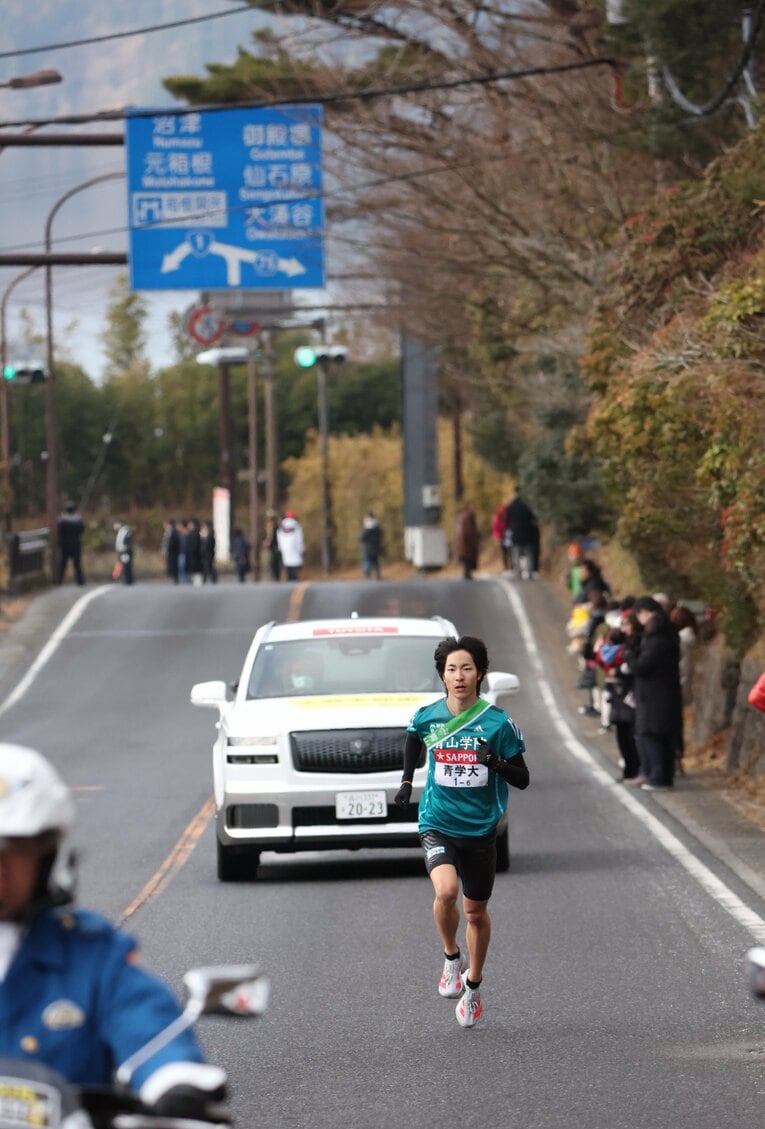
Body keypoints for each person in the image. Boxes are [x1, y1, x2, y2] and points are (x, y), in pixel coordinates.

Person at [0, 743, 227, 1115]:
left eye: (15, 849)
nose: (0, 868)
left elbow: (145, 1023)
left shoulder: (89, 955)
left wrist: (173, 1078)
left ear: (46, 855)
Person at [395, 635, 529, 1028]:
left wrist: (497, 764)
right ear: (442, 675)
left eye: (466, 668)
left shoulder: (497, 723)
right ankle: (451, 958)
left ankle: (473, 986)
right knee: (446, 891)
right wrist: (406, 783)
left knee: (476, 911)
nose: (459, 676)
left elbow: (522, 778)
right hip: (437, 821)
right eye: (451, 669)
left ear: (480, 674)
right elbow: (412, 740)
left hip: (481, 829)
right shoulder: (428, 717)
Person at [629, 595, 683, 790]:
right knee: (663, 736)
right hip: (664, 693)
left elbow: (643, 666)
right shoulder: (668, 632)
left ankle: (658, 778)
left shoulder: (657, 638)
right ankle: (662, 777)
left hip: (654, 696)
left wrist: (631, 658)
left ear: (644, 613)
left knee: (651, 735)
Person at [504, 488, 537, 579]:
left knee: (516, 554)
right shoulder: (527, 506)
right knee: (529, 554)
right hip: (527, 533)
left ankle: (518, 573)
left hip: (516, 534)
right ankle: (530, 572)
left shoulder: (511, 507)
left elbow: (506, 519)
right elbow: (533, 518)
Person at [57, 501, 85, 586]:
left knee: (62, 564)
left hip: (65, 545)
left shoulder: (62, 520)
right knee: (77, 564)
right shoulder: (78, 519)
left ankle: (59, 580)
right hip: (76, 545)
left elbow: (59, 531)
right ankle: (80, 581)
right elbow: (82, 529)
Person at [454, 502, 480, 580]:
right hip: (467, 542)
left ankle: (467, 573)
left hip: (465, 541)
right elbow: (468, 531)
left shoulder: (463, 516)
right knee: (468, 558)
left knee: (467, 558)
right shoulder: (467, 517)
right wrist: (473, 540)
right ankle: (467, 573)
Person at [276, 510, 304, 582]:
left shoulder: (281, 527)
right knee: (295, 568)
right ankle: (295, 581)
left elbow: (279, 538)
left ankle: (289, 580)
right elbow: (299, 540)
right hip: (295, 550)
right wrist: (301, 550)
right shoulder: (297, 526)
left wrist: (280, 548)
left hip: (285, 551)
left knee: (288, 567)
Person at [360, 512, 383, 580]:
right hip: (375, 549)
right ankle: (378, 576)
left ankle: (368, 576)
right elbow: (380, 536)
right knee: (376, 563)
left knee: (367, 563)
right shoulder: (377, 528)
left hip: (367, 550)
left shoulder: (366, 528)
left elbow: (361, 538)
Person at [491, 504, 512, 574]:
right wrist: (498, 538)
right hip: (502, 538)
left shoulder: (508, 518)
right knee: (504, 554)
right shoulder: (497, 518)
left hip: (508, 537)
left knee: (510, 553)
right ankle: (506, 568)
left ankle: (511, 568)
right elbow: (495, 529)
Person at [113, 520, 134, 586]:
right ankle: (126, 579)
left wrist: (125, 549)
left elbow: (127, 541)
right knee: (124, 565)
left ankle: (128, 580)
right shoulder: (121, 531)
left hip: (125, 551)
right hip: (122, 551)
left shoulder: (125, 531)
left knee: (126, 566)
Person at [263, 511, 281, 582]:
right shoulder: (268, 528)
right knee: (271, 562)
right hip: (271, 548)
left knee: (275, 562)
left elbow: (274, 538)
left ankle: (277, 576)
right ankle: (273, 575)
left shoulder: (276, 528)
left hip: (276, 547)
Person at [161, 519, 180, 584]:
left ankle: (175, 578)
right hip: (169, 552)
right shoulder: (167, 532)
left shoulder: (174, 532)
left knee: (173, 565)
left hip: (173, 552)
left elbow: (174, 543)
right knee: (170, 564)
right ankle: (172, 577)